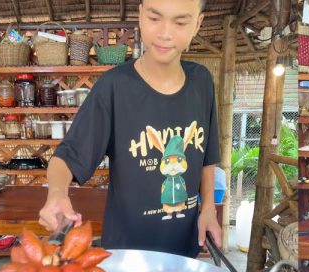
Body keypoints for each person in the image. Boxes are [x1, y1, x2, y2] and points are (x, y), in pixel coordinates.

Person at [39, 0, 221, 258]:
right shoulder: (114, 87)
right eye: (154, 18)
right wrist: (57, 193)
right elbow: (68, 156)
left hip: (184, 250)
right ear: (141, 14)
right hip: (126, 254)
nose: (165, 33)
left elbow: (207, 158)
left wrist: (209, 209)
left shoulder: (202, 82)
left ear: (197, 24)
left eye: (180, 22)